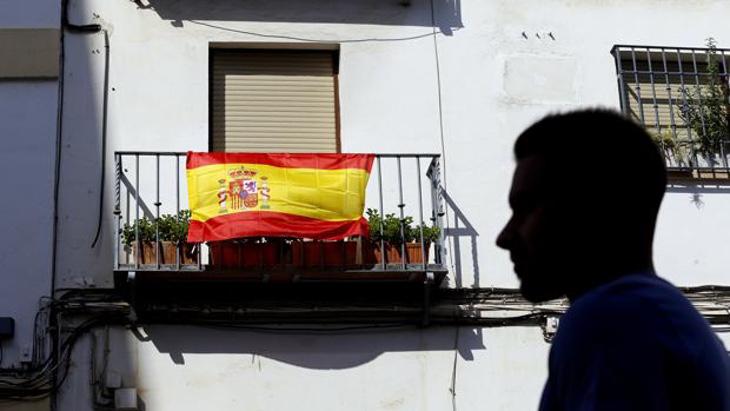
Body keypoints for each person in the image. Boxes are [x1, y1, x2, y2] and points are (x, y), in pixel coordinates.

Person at [496, 109, 730, 410]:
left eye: (526, 208)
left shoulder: (609, 319)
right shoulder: (673, 321)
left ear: (591, 209)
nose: (504, 236)